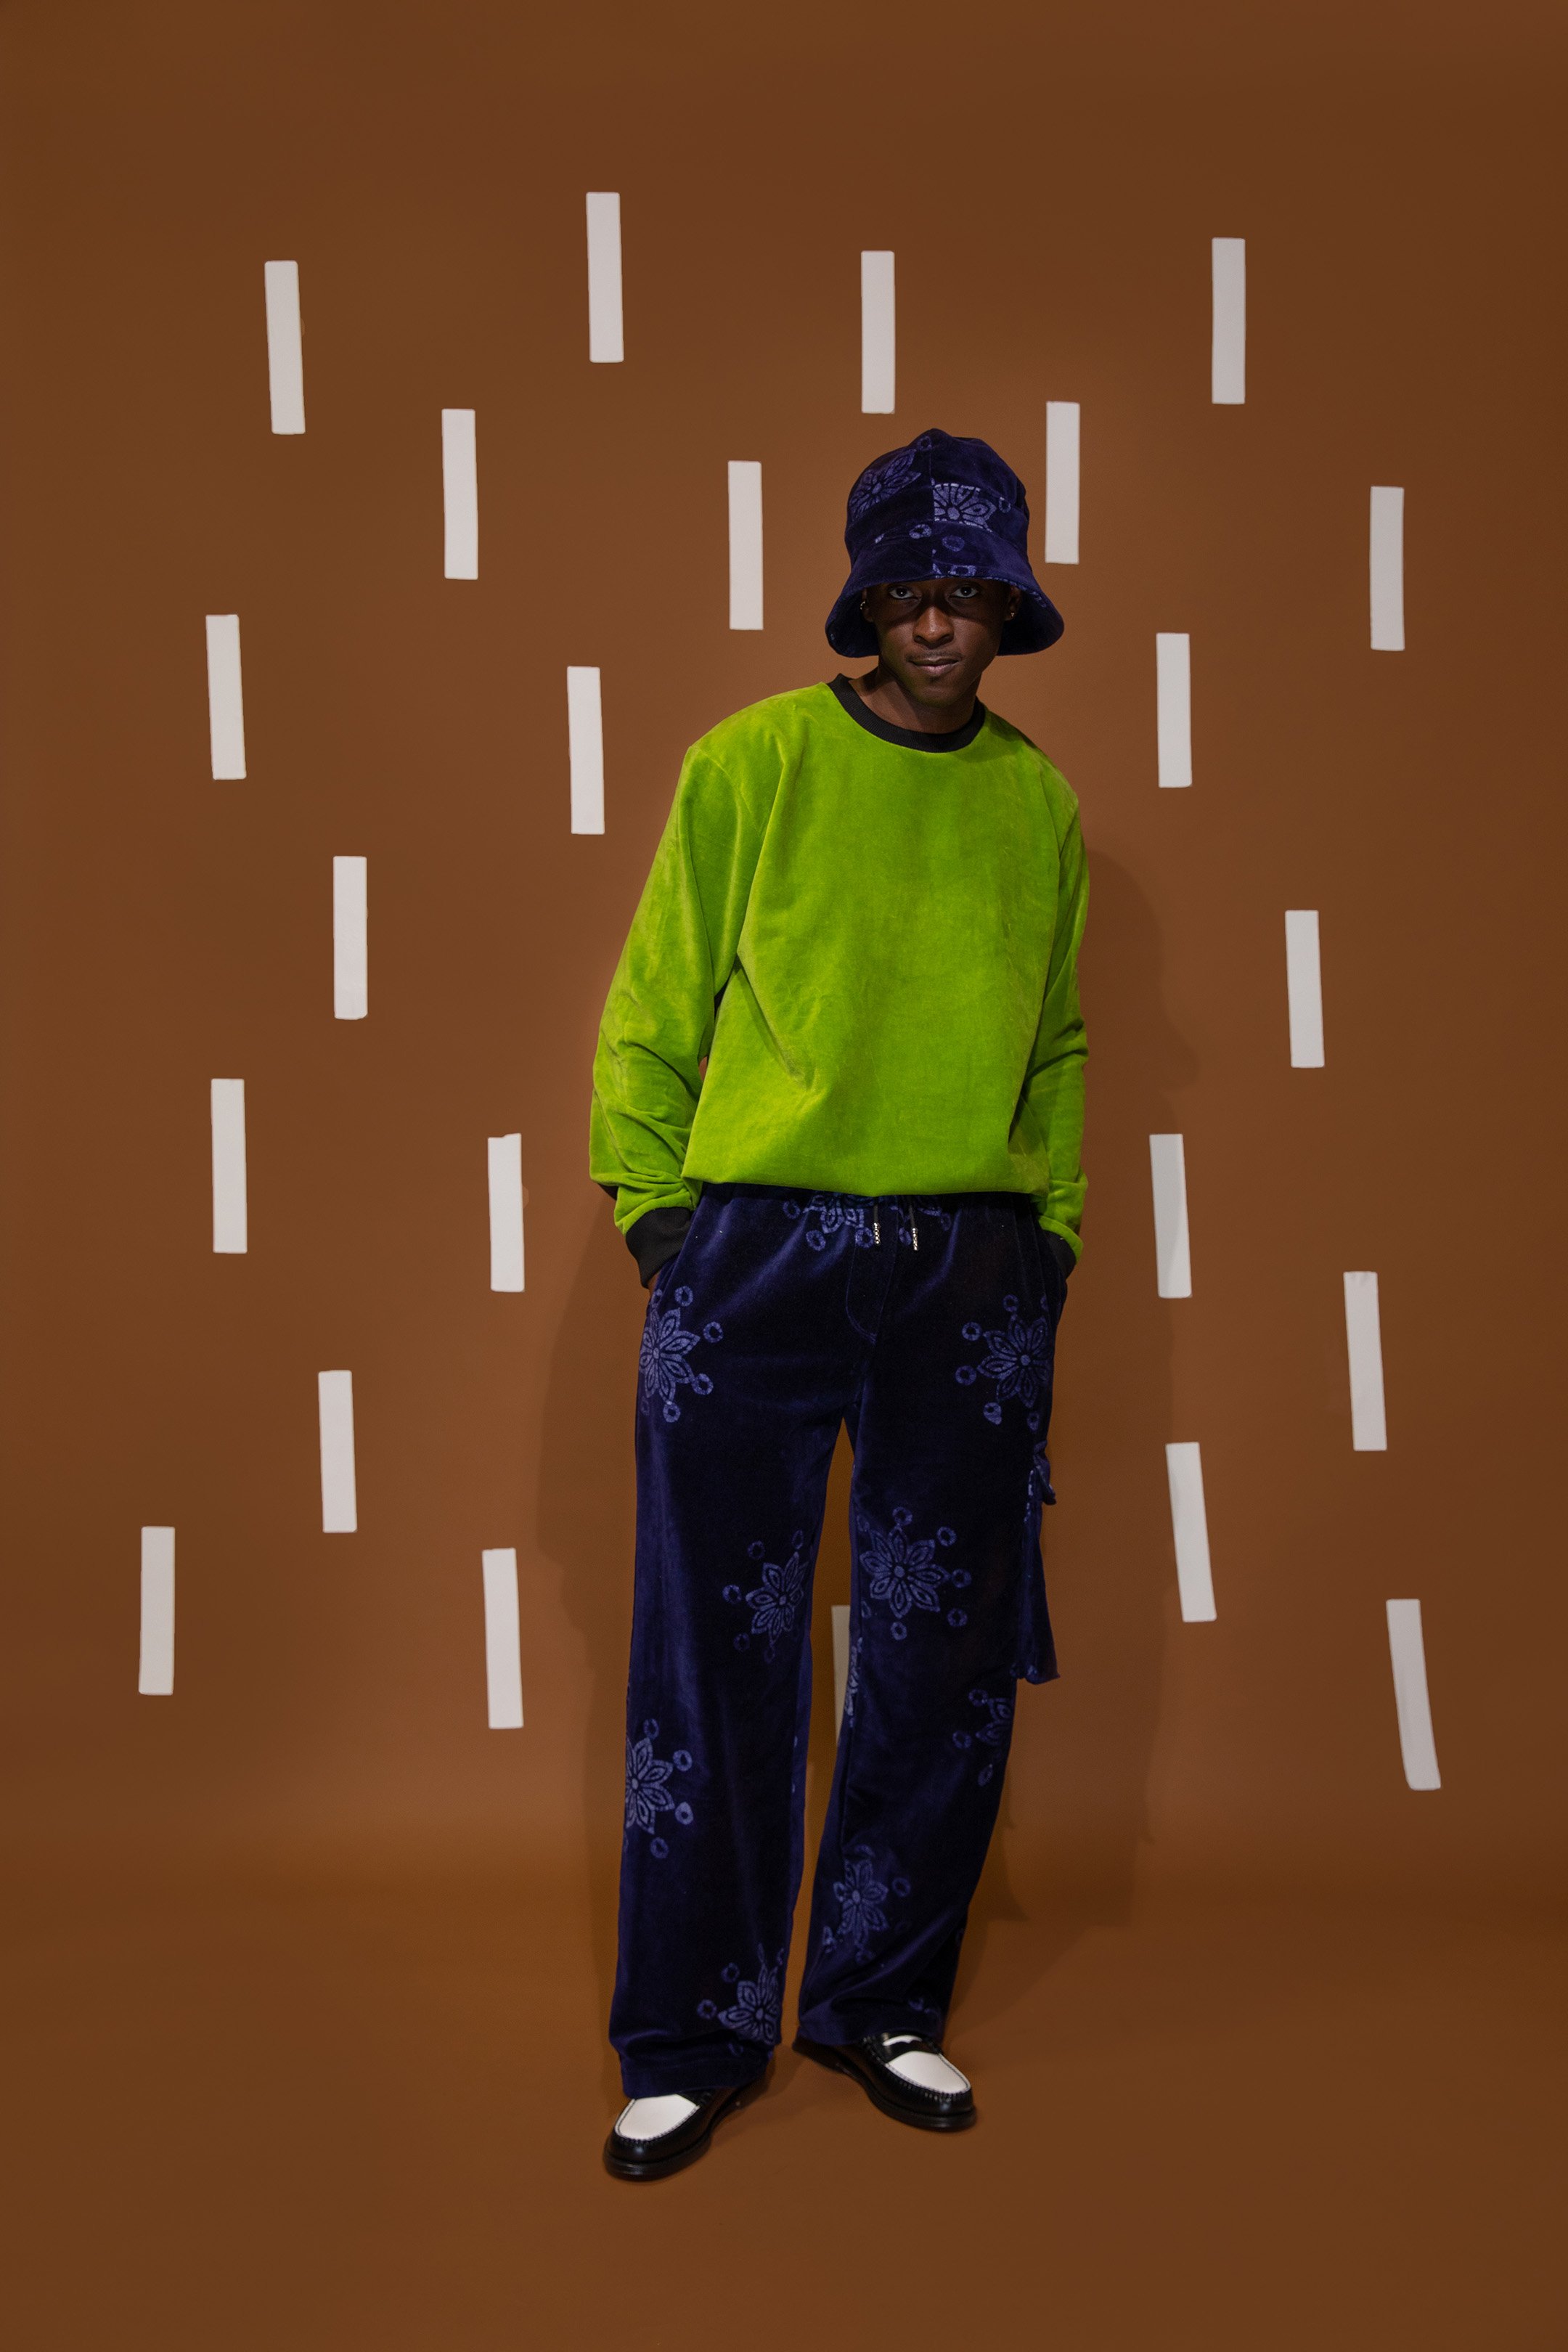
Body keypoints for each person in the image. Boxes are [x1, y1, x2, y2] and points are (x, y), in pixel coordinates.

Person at [588, 427, 1087, 2180]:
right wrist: (663, 1224)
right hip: (758, 1257)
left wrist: (1050, 1238)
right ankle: (689, 2037)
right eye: (909, 591)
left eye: (972, 592)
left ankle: (882, 2001)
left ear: (1012, 606)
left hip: (971, 1270)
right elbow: (654, 1002)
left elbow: (1061, 1040)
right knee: (712, 1650)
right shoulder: (753, 762)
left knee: (941, 1661)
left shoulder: (1038, 801)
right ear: (867, 601)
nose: (939, 624)